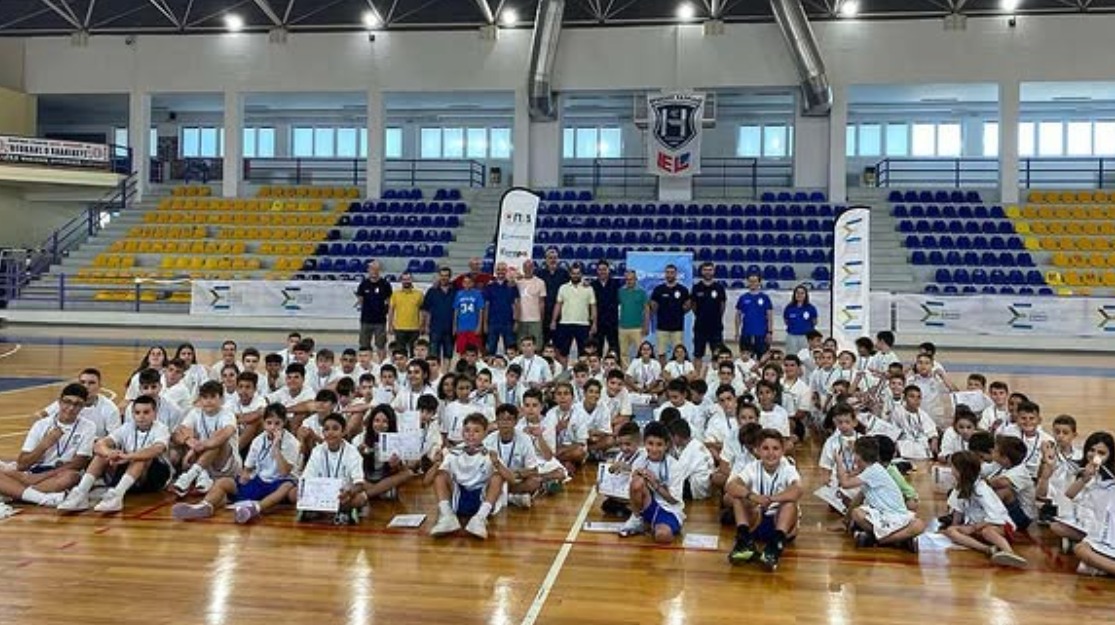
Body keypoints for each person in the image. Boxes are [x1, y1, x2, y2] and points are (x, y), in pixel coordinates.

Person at [172, 403, 300, 524]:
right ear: (264, 423)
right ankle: (205, 506)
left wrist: (276, 448)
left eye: (277, 423)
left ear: (284, 423)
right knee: (223, 482)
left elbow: (284, 472)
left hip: (280, 482)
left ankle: (255, 509)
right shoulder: (258, 441)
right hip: (260, 481)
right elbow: (248, 468)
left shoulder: (292, 442)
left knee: (288, 487)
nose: (272, 427)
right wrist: (245, 475)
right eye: (269, 423)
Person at [57, 394, 172, 513]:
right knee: (102, 455)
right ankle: (81, 493)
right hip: (129, 474)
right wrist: (110, 453)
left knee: (141, 458)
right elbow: (99, 444)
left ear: (155, 414)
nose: (141, 416)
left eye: (146, 412)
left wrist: (128, 457)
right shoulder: (127, 427)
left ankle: (117, 495)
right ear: (132, 414)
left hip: (153, 477)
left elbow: (157, 449)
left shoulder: (161, 429)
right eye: (137, 413)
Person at [0, 383, 95, 507]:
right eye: (67, 402)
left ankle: (13, 493)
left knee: (72, 477)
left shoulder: (88, 426)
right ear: (59, 402)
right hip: (32, 472)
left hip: (60, 473)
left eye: (77, 404)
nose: (71, 408)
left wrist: (40, 477)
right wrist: (44, 445)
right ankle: (39, 497)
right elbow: (22, 464)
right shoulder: (41, 424)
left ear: (83, 406)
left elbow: (78, 464)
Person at [725, 428, 802, 570]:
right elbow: (730, 486)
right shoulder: (752, 467)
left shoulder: (788, 468)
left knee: (790, 503)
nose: (771, 453)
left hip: (781, 524)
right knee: (738, 497)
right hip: (757, 521)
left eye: (775, 448)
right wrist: (753, 496)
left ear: (783, 451)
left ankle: (775, 546)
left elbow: (798, 490)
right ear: (757, 451)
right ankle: (744, 540)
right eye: (765, 448)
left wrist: (772, 499)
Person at [837, 437, 925, 553]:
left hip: (893, 515)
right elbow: (850, 478)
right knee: (857, 513)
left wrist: (839, 462)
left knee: (919, 525)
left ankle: (879, 540)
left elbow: (845, 484)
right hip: (881, 514)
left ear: (858, 457)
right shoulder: (872, 469)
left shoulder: (872, 471)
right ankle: (896, 540)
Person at [942, 450, 1028, 568]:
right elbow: (958, 510)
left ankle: (1009, 552)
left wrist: (973, 528)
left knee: (987, 532)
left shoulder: (981, 489)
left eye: (953, 467)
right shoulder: (959, 488)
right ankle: (987, 549)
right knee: (951, 531)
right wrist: (955, 527)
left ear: (961, 470)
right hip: (975, 526)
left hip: (998, 525)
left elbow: (995, 516)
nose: (951, 471)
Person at [428, 413, 506, 539]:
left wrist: (497, 463)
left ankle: (479, 519)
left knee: (498, 477)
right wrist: (436, 464)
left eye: (476, 431)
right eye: (467, 430)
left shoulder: (490, 453)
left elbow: (512, 479)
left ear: (485, 433)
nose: (471, 434)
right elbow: (426, 482)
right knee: (440, 475)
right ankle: (448, 517)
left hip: (481, 500)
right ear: (462, 432)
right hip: (458, 498)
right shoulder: (453, 452)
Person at [618, 421, 686, 543]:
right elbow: (631, 491)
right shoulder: (640, 461)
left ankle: (652, 526)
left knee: (663, 536)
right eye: (650, 443)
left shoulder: (675, 466)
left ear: (667, 445)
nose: (654, 449)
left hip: (669, 509)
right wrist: (634, 478)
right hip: (648, 506)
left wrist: (655, 484)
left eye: (659, 445)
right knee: (637, 482)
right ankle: (637, 519)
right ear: (644, 443)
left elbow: (674, 500)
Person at [171, 381, 240, 496]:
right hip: (203, 461)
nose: (208, 401)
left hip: (226, 465)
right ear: (200, 399)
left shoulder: (227, 414)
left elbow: (226, 433)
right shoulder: (195, 412)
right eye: (205, 397)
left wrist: (198, 447)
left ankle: (189, 477)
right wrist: (189, 441)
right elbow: (179, 432)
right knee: (187, 436)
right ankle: (203, 477)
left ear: (221, 399)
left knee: (217, 440)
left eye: (212, 397)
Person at [297, 413, 367, 525]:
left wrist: (349, 492)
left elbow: (360, 484)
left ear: (343, 431)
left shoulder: (352, 452)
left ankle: (322, 512)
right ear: (323, 432)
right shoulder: (317, 451)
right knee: (296, 493)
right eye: (326, 429)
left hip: (343, 495)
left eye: (335, 429)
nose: (330, 433)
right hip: (321, 495)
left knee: (361, 498)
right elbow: (307, 478)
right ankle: (339, 513)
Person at [483, 404, 541, 508]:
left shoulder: (525, 439)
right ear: (496, 421)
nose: (505, 423)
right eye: (501, 419)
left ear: (516, 422)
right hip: (496, 478)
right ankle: (511, 498)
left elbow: (533, 470)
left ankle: (499, 496)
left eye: (509, 419)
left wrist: (515, 474)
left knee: (535, 482)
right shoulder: (488, 440)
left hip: (516, 479)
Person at [551, 262, 597, 363]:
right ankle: (563, 371)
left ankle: (583, 371)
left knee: (584, 353)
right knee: (563, 352)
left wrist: (594, 323)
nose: (575, 275)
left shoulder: (589, 288)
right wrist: (553, 321)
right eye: (573, 273)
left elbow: (593, 306)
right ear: (570, 274)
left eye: (578, 273)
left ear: (581, 274)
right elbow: (558, 305)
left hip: (583, 324)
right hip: (565, 323)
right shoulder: (563, 288)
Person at [649, 265, 690, 359]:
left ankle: (677, 369)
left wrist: (679, 313)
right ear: (665, 274)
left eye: (672, 272)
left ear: (676, 274)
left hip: (677, 328)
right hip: (662, 327)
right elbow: (653, 305)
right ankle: (663, 368)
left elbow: (688, 305)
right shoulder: (658, 289)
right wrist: (661, 313)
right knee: (661, 353)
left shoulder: (683, 290)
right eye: (667, 272)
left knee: (679, 354)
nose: (669, 275)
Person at [690, 261, 727, 362]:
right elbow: (693, 306)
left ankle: (716, 372)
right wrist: (700, 316)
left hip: (716, 327)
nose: (708, 272)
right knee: (698, 354)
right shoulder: (696, 287)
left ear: (713, 271)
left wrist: (716, 317)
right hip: (700, 326)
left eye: (710, 270)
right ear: (701, 271)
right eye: (705, 270)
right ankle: (697, 372)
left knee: (717, 354)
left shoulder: (719, 288)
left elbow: (722, 306)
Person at [356, 260, 393, 356]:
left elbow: (389, 302)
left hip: (380, 321)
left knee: (381, 345)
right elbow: (360, 300)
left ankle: (381, 363)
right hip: (366, 320)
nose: (374, 271)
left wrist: (386, 313)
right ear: (368, 270)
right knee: (364, 345)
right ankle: (366, 363)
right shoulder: (363, 284)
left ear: (379, 270)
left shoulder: (385, 284)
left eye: (376, 269)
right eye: (372, 269)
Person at [421, 266, 457, 364]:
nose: (444, 278)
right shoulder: (432, 291)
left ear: (450, 277)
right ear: (439, 276)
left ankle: (445, 372)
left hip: (450, 329)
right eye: (442, 275)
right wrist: (425, 326)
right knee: (433, 355)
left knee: (448, 354)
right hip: (435, 328)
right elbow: (426, 310)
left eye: (446, 276)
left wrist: (456, 327)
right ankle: (435, 372)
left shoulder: (455, 291)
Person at [483, 262, 520, 356]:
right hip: (493, 322)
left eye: (503, 270)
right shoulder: (489, 287)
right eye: (499, 269)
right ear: (495, 271)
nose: (501, 272)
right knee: (490, 349)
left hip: (508, 322)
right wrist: (485, 323)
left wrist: (516, 321)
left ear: (506, 271)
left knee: (511, 349)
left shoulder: (512, 286)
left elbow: (516, 305)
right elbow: (486, 305)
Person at [734, 272, 773, 359]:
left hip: (762, 334)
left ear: (759, 282)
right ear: (748, 282)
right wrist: (737, 332)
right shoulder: (743, 298)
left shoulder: (765, 298)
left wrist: (770, 332)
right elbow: (738, 316)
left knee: (763, 359)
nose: (753, 283)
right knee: (746, 360)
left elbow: (769, 316)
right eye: (751, 281)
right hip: (746, 334)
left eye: (755, 281)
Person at [537, 248, 571, 346]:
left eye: (555, 258)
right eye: (550, 258)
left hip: (560, 315)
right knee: (542, 345)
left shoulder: (564, 273)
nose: (553, 260)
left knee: (559, 345)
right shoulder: (539, 274)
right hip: (544, 315)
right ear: (546, 259)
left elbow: (574, 283)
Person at [617, 270, 649, 366]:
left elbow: (646, 310)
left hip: (637, 327)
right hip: (623, 327)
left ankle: (640, 370)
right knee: (623, 353)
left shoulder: (642, 292)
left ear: (636, 279)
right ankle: (625, 371)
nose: (629, 281)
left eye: (631, 279)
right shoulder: (620, 291)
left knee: (640, 352)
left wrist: (646, 326)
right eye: (627, 279)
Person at [388, 272, 424, 356]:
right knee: (401, 352)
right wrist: (390, 325)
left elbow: (422, 311)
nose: (406, 281)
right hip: (399, 327)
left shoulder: (419, 294)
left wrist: (422, 325)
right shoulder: (395, 294)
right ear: (401, 280)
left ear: (411, 280)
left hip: (414, 328)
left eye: (408, 279)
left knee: (413, 352)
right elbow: (391, 310)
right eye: (404, 279)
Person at [590, 260, 621, 359]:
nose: (602, 272)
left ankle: (615, 368)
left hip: (612, 322)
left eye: (604, 269)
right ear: (597, 271)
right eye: (600, 269)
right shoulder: (592, 285)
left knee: (615, 349)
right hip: (598, 323)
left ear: (608, 270)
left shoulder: (617, 284)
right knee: (597, 350)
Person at [515, 258, 547, 346]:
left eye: (530, 267)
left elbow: (542, 303)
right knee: (521, 345)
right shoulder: (517, 282)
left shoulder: (540, 282)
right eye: (526, 267)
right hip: (521, 319)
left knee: (537, 345)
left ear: (533, 268)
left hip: (535, 319)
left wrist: (541, 319)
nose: (528, 269)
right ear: (523, 268)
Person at [453, 274, 486, 356]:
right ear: (462, 283)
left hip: (473, 327)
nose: (467, 284)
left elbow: (481, 310)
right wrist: (455, 326)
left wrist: (479, 326)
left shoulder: (477, 294)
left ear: (473, 283)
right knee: (462, 351)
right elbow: (456, 311)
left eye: (469, 282)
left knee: (474, 351)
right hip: (461, 327)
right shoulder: (459, 294)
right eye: (465, 282)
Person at [782, 285, 818, 358]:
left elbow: (814, 322)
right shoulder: (789, 308)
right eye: (797, 293)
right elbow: (786, 321)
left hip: (805, 337)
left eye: (802, 293)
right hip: (792, 336)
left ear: (806, 295)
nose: (799, 295)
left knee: (805, 358)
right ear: (794, 295)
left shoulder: (811, 308)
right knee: (791, 357)